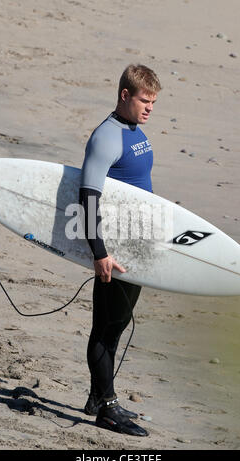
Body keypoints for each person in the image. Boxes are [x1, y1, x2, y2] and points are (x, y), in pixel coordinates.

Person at [79, 64, 161, 437]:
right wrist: (100, 253)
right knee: (105, 326)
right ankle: (107, 409)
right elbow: (88, 197)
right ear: (125, 95)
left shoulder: (134, 131)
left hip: (136, 244)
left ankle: (99, 395)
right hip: (115, 249)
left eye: (153, 102)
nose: (149, 108)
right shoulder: (106, 137)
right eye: (144, 100)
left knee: (118, 324)